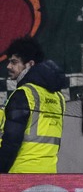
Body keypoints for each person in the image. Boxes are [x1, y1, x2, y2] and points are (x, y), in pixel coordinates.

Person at [0, 36, 67, 173]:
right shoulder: (59, 98)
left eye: (14, 62)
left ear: (30, 64)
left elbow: (11, 141)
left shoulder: (23, 94)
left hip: (20, 173)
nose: (9, 66)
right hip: (49, 173)